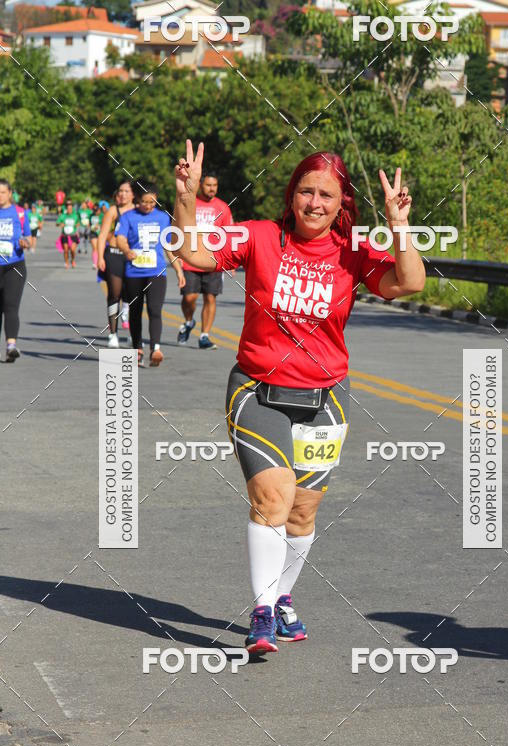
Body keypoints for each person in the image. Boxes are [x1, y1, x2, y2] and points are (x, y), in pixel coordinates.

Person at [173, 141, 425, 654]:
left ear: (341, 204)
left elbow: (410, 283)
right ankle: (262, 612)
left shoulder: (353, 251)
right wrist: (186, 196)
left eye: (326, 195)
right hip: (257, 389)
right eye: (306, 191)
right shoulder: (261, 237)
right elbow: (194, 251)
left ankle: (284, 598)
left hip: (326, 396)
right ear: (291, 196)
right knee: (272, 498)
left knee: (302, 512)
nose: (314, 202)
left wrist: (398, 225)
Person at [115, 181, 185, 367]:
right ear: (137, 199)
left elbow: (168, 246)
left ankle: (156, 348)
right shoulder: (128, 217)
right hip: (134, 272)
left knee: (155, 310)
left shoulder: (163, 218)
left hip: (156, 272)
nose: (149, 206)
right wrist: (126, 250)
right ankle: (137, 347)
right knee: (136, 311)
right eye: (145, 202)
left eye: (153, 202)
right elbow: (120, 238)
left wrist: (178, 270)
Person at [177, 172, 233, 350]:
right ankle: (189, 321)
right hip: (191, 259)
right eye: (208, 185)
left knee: (210, 297)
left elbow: (229, 233)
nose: (212, 189)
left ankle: (204, 336)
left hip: (214, 260)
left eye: (214, 186)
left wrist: (231, 259)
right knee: (189, 297)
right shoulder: (190, 203)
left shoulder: (223, 207)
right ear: (200, 185)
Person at [97, 181, 135, 348]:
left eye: (127, 191)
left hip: (133, 257)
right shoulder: (113, 211)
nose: (123, 194)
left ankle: (135, 333)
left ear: (134, 194)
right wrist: (100, 257)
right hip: (113, 255)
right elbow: (102, 235)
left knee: (133, 295)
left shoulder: (139, 210)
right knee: (114, 293)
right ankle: (113, 334)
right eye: (121, 191)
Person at [0, 179, 31, 362]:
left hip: (15, 265)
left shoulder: (20, 213)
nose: (0, 196)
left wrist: (24, 243)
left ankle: (11, 345)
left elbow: (28, 238)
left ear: (10, 193)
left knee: (11, 306)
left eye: (3, 192)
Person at [56, 201, 80, 267]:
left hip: (73, 235)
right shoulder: (63, 216)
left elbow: (78, 222)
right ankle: (66, 262)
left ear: (72, 209)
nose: (69, 210)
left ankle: (72, 260)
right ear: (66, 209)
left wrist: (77, 224)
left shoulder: (75, 216)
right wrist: (60, 224)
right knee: (66, 250)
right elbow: (57, 223)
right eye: (68, 209)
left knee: (72, 250)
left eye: (70, 209)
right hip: (65, 235)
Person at [89, 203, 103, 268]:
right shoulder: (91, 215)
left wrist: (99, 226)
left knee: (100, 248)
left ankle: (100, 261)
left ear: (100, 210)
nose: (96, 212)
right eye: (94, 210)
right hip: (93, 233)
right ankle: (95, 263)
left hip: (101, 233)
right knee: (95, 248)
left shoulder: (103, 215)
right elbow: (89, 224)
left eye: (97, 210)